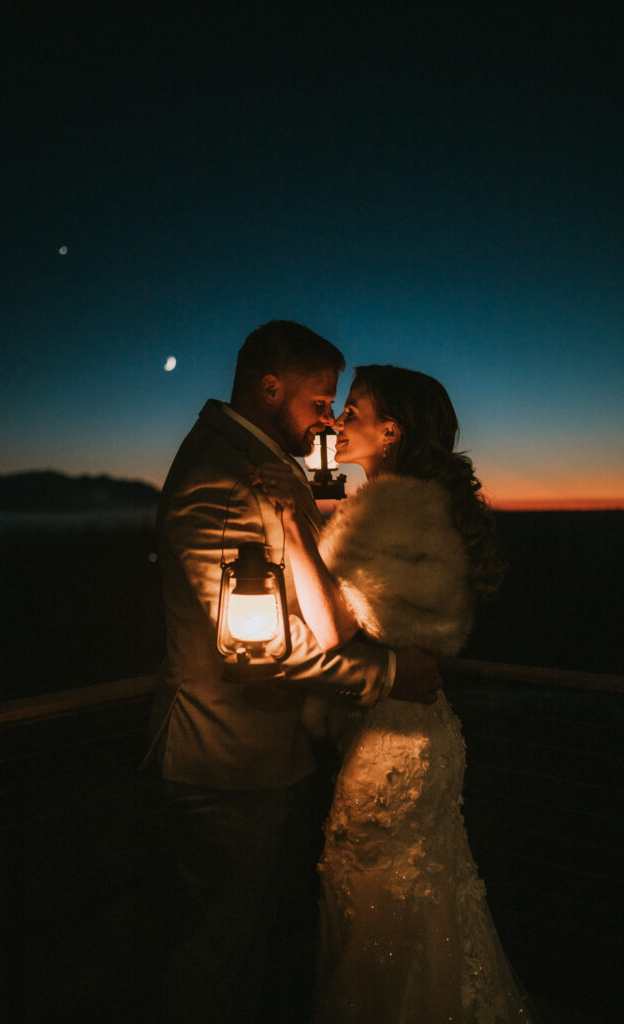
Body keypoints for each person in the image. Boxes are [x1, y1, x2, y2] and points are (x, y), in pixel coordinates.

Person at [145, 323, 441, 1024]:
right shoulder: (222, 477)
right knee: (218, 952)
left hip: (266, 757)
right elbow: (258, 648)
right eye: (320, 399)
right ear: (269, 387)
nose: (327, 418)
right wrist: (386, 675)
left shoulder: (258, 465)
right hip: (228, 761)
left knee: (246, 946)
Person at [255, 365, 538, 1023]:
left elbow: (330, 629)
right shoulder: (402, 505)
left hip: (391, 751)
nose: (336, 421)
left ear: (391, 430)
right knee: (426, 913)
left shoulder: (386, 511)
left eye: (351, 410)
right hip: (423, 735)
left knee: (380, 929)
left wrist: (289, 524)